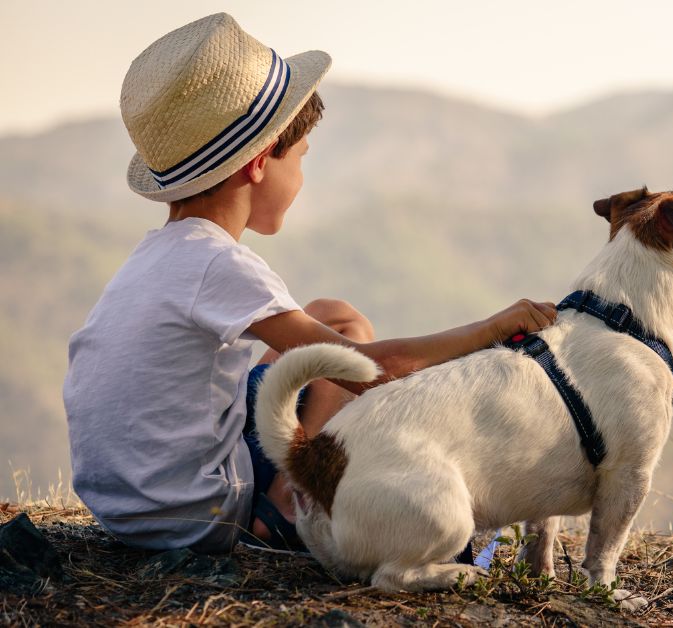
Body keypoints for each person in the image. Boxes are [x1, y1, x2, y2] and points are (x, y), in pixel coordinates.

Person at [62, 13, 556, 554]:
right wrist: (491, 329)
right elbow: (375, 371)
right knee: (350, 358)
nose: (300, 177)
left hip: (129, 506)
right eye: (299, 158)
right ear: (257, 164)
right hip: (197, 512)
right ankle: (285, 508)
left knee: (335, 316)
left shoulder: (157, 254)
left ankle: (286, 490)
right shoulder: (219, 264)